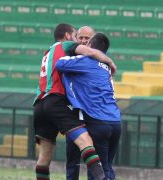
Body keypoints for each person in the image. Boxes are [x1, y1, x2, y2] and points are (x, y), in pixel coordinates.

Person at [33, 23, 116, 180]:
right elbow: (89, 51)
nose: (80, 41)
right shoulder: (66, 46)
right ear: (68, 36)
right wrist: (110, 62)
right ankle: (101, 178)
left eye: (85, 38)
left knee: (44, 159)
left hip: (39, 104)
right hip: (56, 101)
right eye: (77, 36)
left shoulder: (48, 52)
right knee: (86, 142)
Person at [56, 33, 121, 180]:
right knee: (108, 168)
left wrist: (76, 49)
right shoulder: (106, 68)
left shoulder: (85, 61)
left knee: (97, 171)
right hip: (116, 122)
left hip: (98, 122)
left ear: (90, 47)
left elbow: (59, 63)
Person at [64, 25, 97, 180]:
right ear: (75, 38)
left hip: (93, 116)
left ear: (93, 41)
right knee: (72, 160)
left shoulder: (99, 60)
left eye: (87, 38)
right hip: (73, 116)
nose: (83, 41)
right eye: (81, 37)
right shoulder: (69, 58)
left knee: (93, 160)